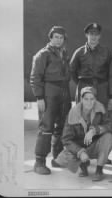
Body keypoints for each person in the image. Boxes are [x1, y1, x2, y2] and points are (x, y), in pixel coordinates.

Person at [30, 26, 72, 175]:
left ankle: (57, 158)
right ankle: (39, 161)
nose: (58, 40)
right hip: (49, 92)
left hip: (63, 91)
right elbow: (35, 77)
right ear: (50, 38)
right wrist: (39, 97)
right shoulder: (43, 55)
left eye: (61, 37)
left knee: (62, 125)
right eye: (56, 37)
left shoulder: (64, 53)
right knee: (46, 127)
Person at [55, 86, 112, 182]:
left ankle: (99, 170)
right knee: (62, 159)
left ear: (95, 99)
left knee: (108, 137)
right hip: (79, 148)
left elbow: (110, 126)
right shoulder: (73, 113)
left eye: (92, 99)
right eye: (86, 99)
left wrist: (95, 130)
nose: (89, 102)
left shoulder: (100, 109)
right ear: (81, 99)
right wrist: (80, 152)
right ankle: (83, 165)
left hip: (94, 146)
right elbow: (66, 139)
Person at [69, 23, 112, 112]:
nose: (93, 37)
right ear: (87, 35)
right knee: (83, 114)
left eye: (96, 34)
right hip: (84, 86)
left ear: (100, 36)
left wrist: (111, 95)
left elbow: (111, 75)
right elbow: (72, 71)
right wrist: (81, 83)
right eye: (91, 34)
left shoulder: (107, 52)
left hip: (101, 88)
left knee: (101, 114)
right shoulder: (79, 52)